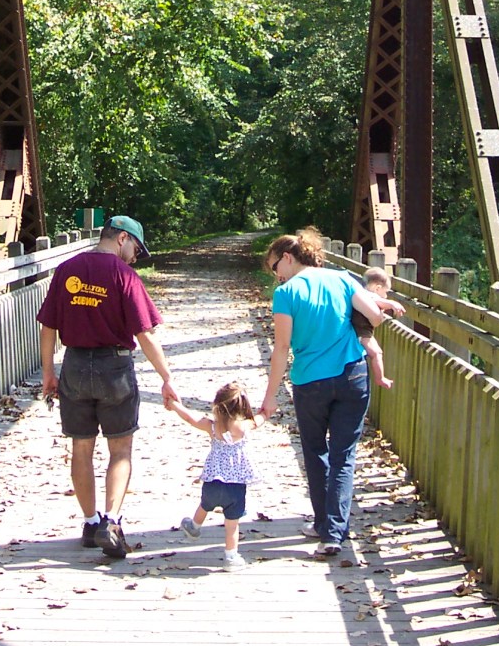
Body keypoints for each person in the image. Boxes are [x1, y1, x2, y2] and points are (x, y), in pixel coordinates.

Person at [38, 213, 178, 559]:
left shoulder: (67, 270)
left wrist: (48, 374)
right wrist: (166, 377)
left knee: (81, 449)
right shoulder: (123, 275)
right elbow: (144, 334)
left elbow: (48, 328)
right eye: (135, 248)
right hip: (114, 366)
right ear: (122, 239)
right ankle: (111, 522)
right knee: (120, 451)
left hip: (73, 365)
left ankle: (89, 523)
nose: (135, 257)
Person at [260, 228, 403, 559]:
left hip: (310, 382)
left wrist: (270, 397)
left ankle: (324, 524)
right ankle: (334, 533)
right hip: (352, 375)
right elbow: (374, 318)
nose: (275, 276)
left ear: (287, 258)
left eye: (274, 268)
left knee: (314, 451)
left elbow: (282, 348)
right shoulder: (341, 279)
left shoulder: (286, 294)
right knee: (344, 456)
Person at [167, 381, 263, 572]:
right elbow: (261, 418)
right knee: (232, 524)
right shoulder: (244, 427)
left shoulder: (212, 427)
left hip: (213, 481)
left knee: (205, 504)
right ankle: (231, 557)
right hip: (235, 487)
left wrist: (174, 404)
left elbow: (190, 418)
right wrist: (266, 410)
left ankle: (194, 526)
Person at [351, 266, 401, 390]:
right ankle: (380, 378)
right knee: (376, 353)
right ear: (377, 288)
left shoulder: (360, 293)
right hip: (362, 332)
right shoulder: (369, 295)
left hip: (361, 330)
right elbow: (377, 301)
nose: (385, 296)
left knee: (376, 353)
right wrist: (392, 304)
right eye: (386, 292)